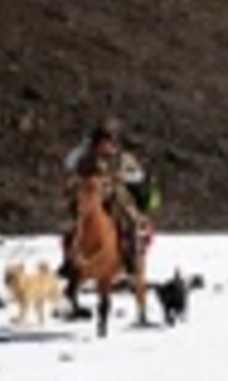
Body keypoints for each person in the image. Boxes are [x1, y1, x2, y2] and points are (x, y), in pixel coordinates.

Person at [59, 121, 156, 317]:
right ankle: (70, 264)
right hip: (90, 196)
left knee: (129, 223)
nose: (105, 146)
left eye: (108, 142)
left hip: (116, 197)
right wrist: (82, 148)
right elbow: (68, 163)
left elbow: (138, 175)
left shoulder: (122, 158)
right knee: (73, 227)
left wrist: (123, 177)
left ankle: (131, 260)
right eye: (101, 142)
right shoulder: (87, 157)